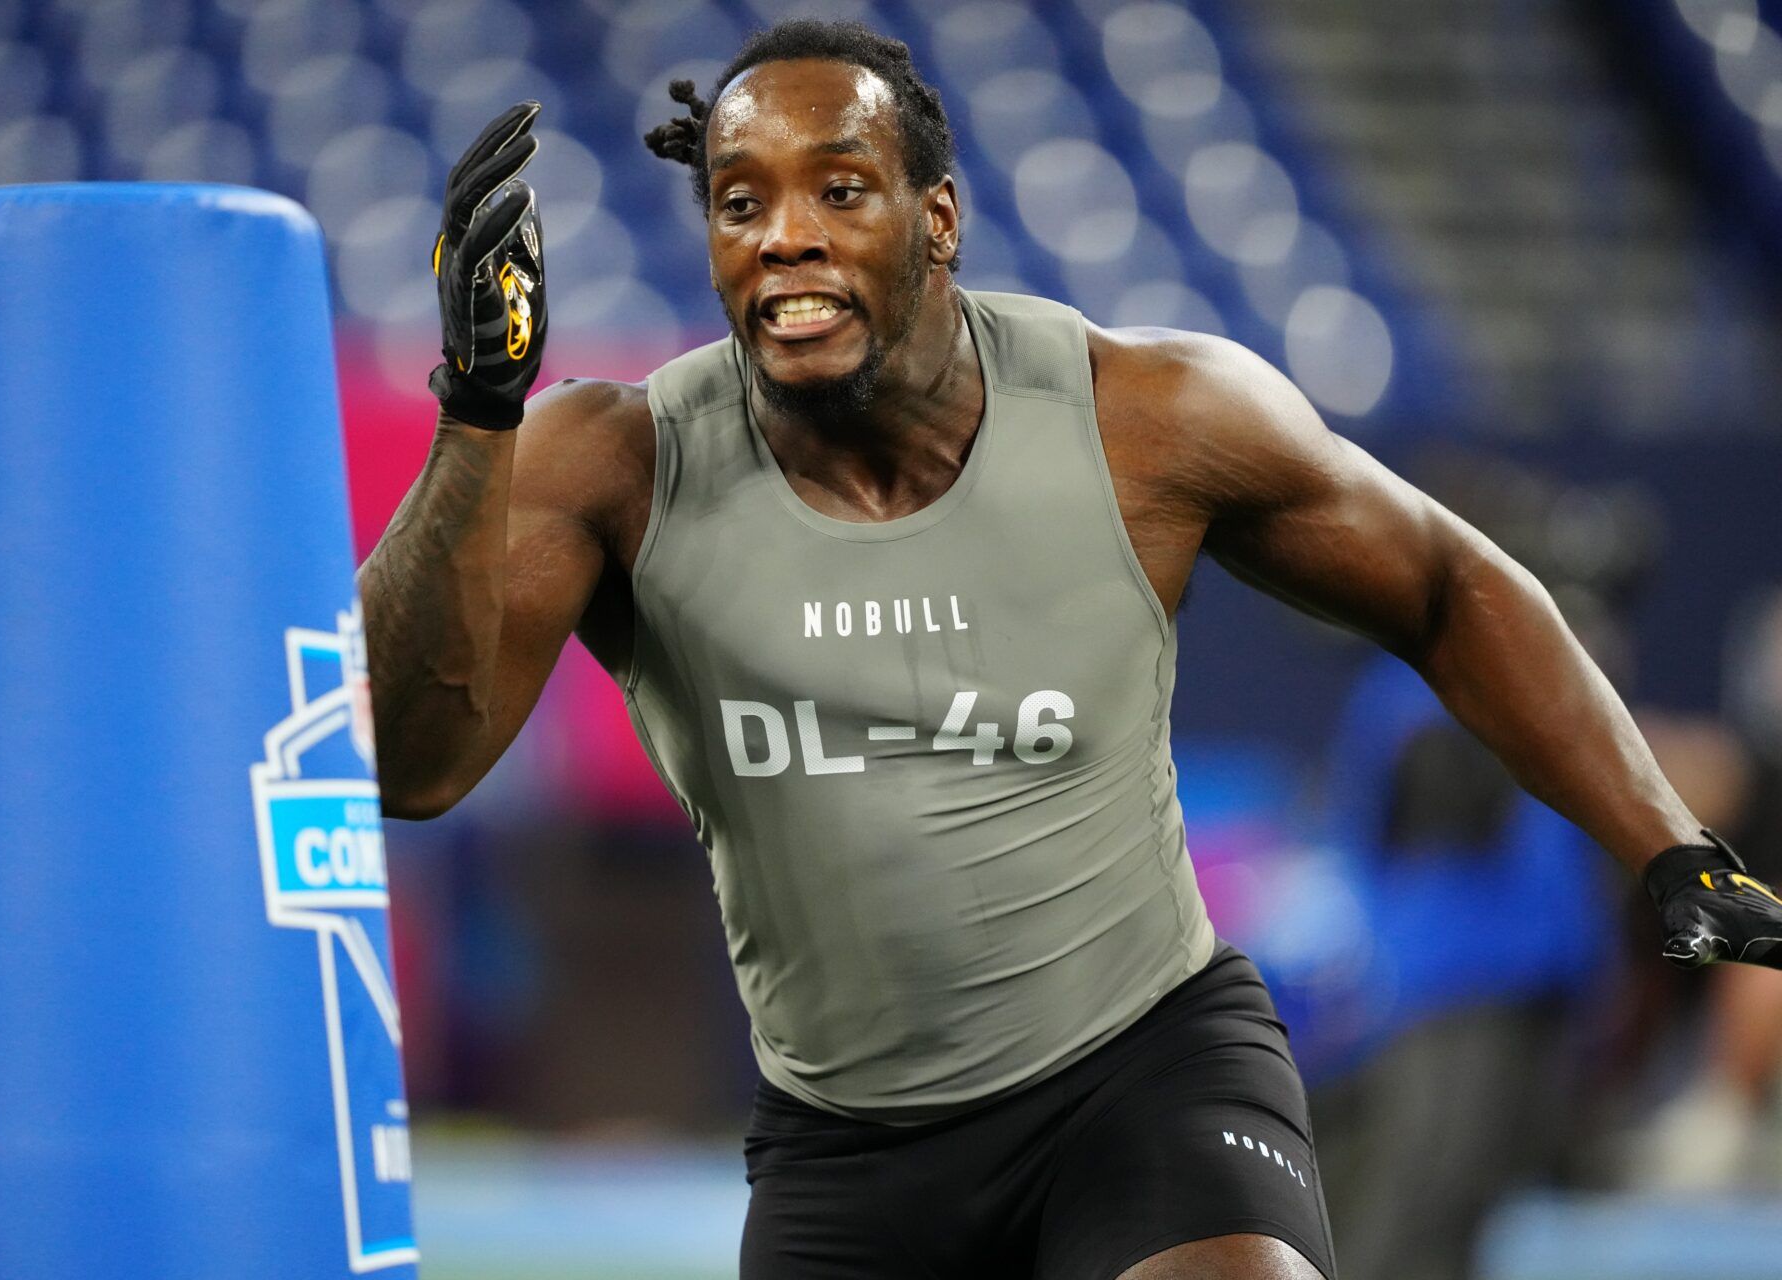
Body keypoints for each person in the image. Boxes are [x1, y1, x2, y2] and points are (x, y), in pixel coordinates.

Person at [359, 19, 1782, 1280]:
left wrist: (1666, 848)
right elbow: (410, 767)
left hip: (1145, 1077)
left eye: (838, 190)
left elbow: (1444, 587)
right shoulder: (613, 459)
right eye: (741, 203)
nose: (782, 234)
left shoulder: (1145, 416)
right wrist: (478, 417)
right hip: (848, 1151)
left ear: (938, 221)